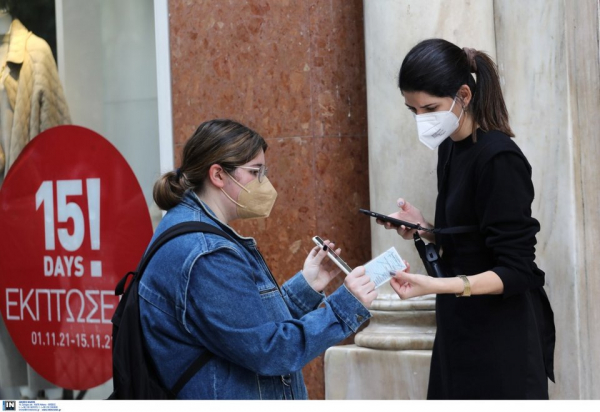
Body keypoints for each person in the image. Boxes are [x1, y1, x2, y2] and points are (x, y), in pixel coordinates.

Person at [139, 118, 377, 399]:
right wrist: (343, 307)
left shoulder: (190, 229)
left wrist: (306, 287)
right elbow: (268, 350)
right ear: (218, 175)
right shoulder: (207, 253)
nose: (265, 184)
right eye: (255, 172)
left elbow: (241, 328)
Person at [380, 39, 555, 399]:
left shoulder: (499, 159)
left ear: (463, 94)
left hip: (500, 339)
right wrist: (426, 229)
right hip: (458, 328)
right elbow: (472, 240)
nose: (422, 120)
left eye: (430, 108)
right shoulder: (450, 147)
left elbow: (518, 270)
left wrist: (434, 286)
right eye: (413, 110)